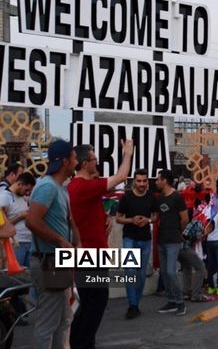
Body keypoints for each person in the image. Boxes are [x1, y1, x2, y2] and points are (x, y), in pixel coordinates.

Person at [68, 140, 133, 348]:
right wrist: (128, 154)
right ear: (85, 163)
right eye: (94, 158)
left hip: (88, 252)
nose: (97, 162)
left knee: (88, 303)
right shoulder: (82, 186)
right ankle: (82, 344)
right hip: (89, 254)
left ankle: (79, 342)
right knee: (96, 301)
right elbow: (121, 177)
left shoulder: (80, 187)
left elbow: (86, 213)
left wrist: (103, 217)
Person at [26, 140, 81, 348]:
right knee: (49, 323)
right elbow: (32, 221)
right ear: (65, 160)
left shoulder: (60, 188)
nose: (77, 161)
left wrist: (76, 242)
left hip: (58, 262)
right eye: (74, 157)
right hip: (48, 263)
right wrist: (60, 240)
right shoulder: (47, 186)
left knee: (65, 319)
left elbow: (68, 222)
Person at [115, 168, 157, 319]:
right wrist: (131, 220)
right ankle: (132, 304)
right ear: (134, 181)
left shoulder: (151, 197)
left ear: (147, 182)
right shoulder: (127, 197)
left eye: (144, 181)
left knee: (140, 275)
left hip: (145, 239)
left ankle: (135, 304)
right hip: (130, 238)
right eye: (139, 181)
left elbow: (156, 215)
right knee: (130, 272)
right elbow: (118, 218)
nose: (142, 184)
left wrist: (148, 220)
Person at [155, 169, 188, 316]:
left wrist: (177, 232)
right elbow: (157, 216)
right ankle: (171, 301)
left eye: (158, 179)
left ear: (165, 181)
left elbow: (185, 219)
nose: (156, 182)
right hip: (161, 240)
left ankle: (180, 302)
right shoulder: (160, 198)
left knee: (170, 271)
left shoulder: (177, 198)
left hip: (173, 240)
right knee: (164, 272)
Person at [0, 172, 36, 267]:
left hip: (28, 242)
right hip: (16, 244)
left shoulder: (22, 197)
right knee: (15, 278)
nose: (27, 193)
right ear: (19, 184)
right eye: (26, 189)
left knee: (27, 278)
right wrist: (20, 216)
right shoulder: (4, 197)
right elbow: (2, 226)